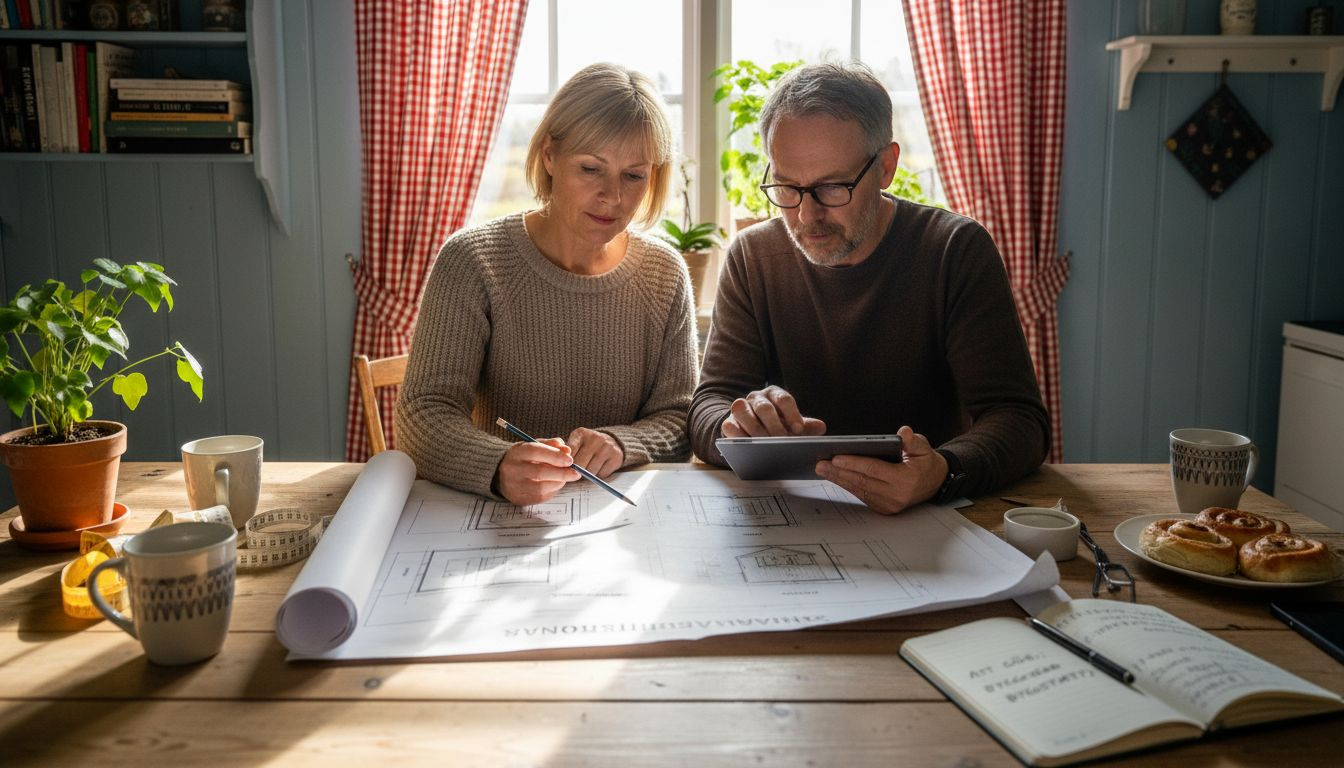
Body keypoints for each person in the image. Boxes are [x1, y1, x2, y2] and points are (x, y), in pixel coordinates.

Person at [689, 61, 1049, 514]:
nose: (806, 215)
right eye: (787, 187)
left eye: (832, 187)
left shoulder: (954, 250)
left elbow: (1021, 421)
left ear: (886, 168)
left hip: (929, 518)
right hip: (794, 513)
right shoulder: (753, 256)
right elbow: (708, 405)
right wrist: (737, 425)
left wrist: (943, 471)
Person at [397, 63, 698, 506]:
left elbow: (679, 419)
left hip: (620, 521)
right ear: (549, 156)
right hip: (497, 516)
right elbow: (422, 414)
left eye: (633, 175)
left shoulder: (665, 273)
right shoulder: (473, 261)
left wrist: (622, 444)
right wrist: (499, 465)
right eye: (591, 168)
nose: (613, 196)